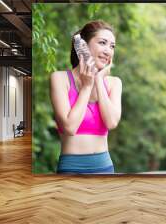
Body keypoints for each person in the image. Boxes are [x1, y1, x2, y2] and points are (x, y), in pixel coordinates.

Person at [50, 20, 122, 174]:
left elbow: (111, 122)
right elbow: (70, 127)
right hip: (71, 168)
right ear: (83, 47)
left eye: (112, 46)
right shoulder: (60, 78)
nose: (108, 51)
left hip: (105, 167)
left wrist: (97, 79)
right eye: (102, 43)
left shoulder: (114, 83)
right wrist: (87, 86)